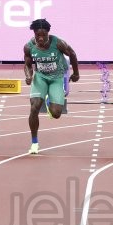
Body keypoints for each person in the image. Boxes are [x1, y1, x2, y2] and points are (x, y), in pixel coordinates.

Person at [23, 18, 79, 155]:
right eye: (38, 35)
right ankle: (34, 143)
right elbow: (27, 65)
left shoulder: (58, 43)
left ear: (49, 33)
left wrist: (76, 73)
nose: (41, 38)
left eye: (44, 35)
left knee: (56, 114)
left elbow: (72, 54)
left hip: (56, 78)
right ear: (34, 34)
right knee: (34, 107)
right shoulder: (29, 47)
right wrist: (28, 76)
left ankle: (49, 101)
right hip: (40, 77)